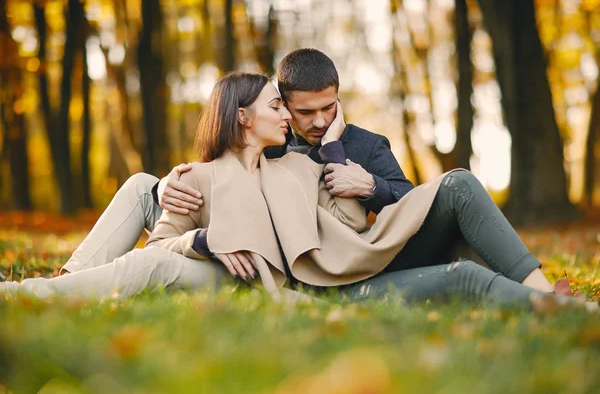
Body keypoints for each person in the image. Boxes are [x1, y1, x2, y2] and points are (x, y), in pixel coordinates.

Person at [3, 72, 591, 314]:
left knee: (468, 277)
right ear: (242, 117)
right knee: (147, 265)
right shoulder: (197, 177)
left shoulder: (301, 169)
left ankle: (569, 310)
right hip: (234, 274)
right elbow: (162, 244)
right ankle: (34, 296)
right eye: (278, 105)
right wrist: (204, 240)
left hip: (336, 282)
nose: (288, 116)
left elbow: (355, 227)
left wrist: (338, 156)